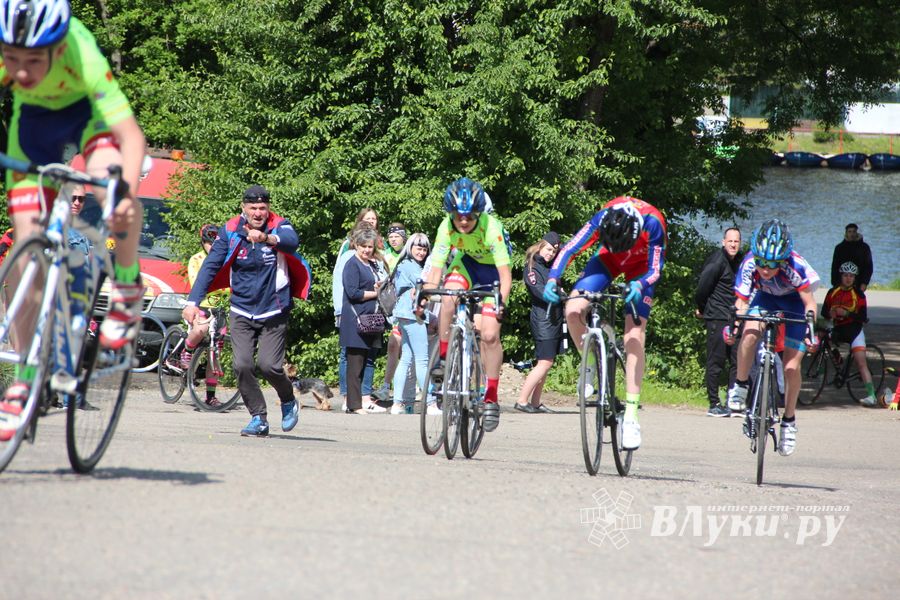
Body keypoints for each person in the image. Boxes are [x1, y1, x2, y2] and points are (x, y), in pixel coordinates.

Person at [0, 1, 147, 441]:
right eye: (11, 58)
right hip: (32, 130)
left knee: (116, 193)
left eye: (33, 61)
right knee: (26, 250)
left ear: (57, 48)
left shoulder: (82, 53)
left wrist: (124, 195)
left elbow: (131, 136)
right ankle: (25, 378)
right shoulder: (11, 53)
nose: (20, 71)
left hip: (90, 123)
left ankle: (126, 285)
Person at [183, 185, 311, 436]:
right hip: (241, 308)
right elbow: (211, 265)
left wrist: (266, 238)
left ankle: (288, 399)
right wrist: (192, 302)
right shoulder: (230, 230)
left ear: (268, 208)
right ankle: (258, 417)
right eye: (253, 208)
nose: (258, 213)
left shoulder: (279, 225)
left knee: (269, 365)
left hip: (274, 309)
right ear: (243, 208)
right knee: (242, 365)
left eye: (262, 208)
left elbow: (292, 242)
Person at [543, 196, 667, 451]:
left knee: (634, 336)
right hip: (606, 260)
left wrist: (640, 284)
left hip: (641, 269)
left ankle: (631, 416)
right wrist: (553, 278)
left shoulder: (653, 222)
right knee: (573, 309)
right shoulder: (603, 217)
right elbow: (570, 248)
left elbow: (656, 268)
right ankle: (589, 362)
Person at [420, 177, 512, 432]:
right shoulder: (445, 227)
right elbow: (435, 270)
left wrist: (501, 303)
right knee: (448, 296)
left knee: (490, 336)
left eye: (469, 216)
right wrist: (424, 296)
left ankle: (491, 396)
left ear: (479, 214)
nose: (463, 221)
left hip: (493, 273)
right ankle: (443, 358)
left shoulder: (491, 227)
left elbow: (505, 277)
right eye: (458, 216)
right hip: (467, 265)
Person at [726, 219, 819, 457]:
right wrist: (733, 327)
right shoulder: (749, 263)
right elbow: (742, 302)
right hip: (766, 298)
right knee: (749, 334)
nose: (765, 269)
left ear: (783, 260)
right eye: (761, 262)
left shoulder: (795, 266)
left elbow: (809, 303)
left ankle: (789, 421)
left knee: (790, 367)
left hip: (794, 304)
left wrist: (811, 331)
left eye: (772, 264)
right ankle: (741, 384)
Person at [166, 224, 227, 408]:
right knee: (200, 329)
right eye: (209, 244)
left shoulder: (225, 259)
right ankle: (186, 350)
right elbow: (197, 282)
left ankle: (210, 396)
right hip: (200, 306)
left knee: (215, 354)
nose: (212, 248)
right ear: (203, 243)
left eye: (215, 244)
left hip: (219, 308)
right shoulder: (197, 259)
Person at [333, 219, 382, 411]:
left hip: (369, 319)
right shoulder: (352, 264)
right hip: (355, 319)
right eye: (364, 246)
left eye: (370, 246)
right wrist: (375, 293)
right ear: (357, 245)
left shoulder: (370, 264)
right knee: (354, 364)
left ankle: (359, 402)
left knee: (364, 362)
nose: (367, 250)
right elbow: (353, 292)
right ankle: (353, 405)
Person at [694, 227, 743, 417]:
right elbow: (702, 288)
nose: (733, 245)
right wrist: (702, 308)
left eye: (736, 241)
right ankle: (714, 404)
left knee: (737, 360)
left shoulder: (739, 261)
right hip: (717, 317)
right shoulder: (717, 262)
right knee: (716, 361)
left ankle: (733, 402)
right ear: (723, 242)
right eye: (730, 241)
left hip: (735, 317)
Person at [516, 231, 564, 413]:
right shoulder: (532, 266)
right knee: (545, 362)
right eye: (549, 249)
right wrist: (559, 294)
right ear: (541, 246)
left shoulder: (549, 267)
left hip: (554, 318)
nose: (550, 254)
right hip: (543, 319)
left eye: (554, 252)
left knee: (546, 362)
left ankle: (535, 402)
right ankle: (521, 401)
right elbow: (540, 291)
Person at [822, 261, 877, 406]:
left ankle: (871, 395)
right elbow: (824, 312)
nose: (848, 278)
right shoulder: (832, 292)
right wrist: (830, 313)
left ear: (854, 278)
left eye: (851, 276)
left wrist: (847, 313)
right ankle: (838, 362)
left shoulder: (859, 295)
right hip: (838, 330)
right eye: (846, 275)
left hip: (855, 331)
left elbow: (863, 317)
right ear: (841, 276)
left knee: (861, 363)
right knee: (823, 338)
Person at [389, 233, 432, 415]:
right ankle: (430, 403)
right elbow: (428, 285)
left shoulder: (403, 264)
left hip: (403, 314)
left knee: (406, 358)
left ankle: (397, 403)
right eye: (418, 248)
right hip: (413, 313)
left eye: (424, 249)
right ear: (410, 247)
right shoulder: (411, 266)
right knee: (422, 359)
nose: (421, 252)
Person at [830, 223, 872, 291]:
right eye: (849, 232)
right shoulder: (839, 248)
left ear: (857, 233)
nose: (852, 234)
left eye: (854, 231)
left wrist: (864, 283)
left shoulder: (864, 247)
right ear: (846, 233)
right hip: (841, 284)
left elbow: (868, 267)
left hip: (858, 283)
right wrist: (835, 283)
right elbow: (835, 267)